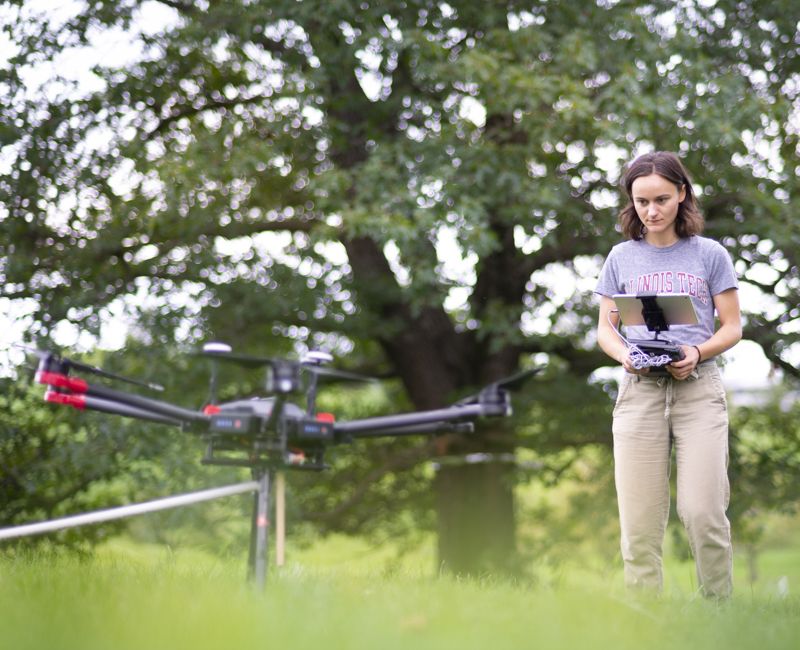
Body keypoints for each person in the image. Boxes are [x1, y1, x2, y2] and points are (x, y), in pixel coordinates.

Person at [595, 151, 742, 599]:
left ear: (682, 194)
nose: (651, 211)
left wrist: (696, 351)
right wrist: (624, 355)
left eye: (661, 199)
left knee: (703, 512)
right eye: (641, 202)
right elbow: (606, 327)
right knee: (638, 523)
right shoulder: (621, 257)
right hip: (640, 392)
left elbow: (733, 327)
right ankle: (647, 624)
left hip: (697, 391)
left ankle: (719, 614)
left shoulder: (710, 255)